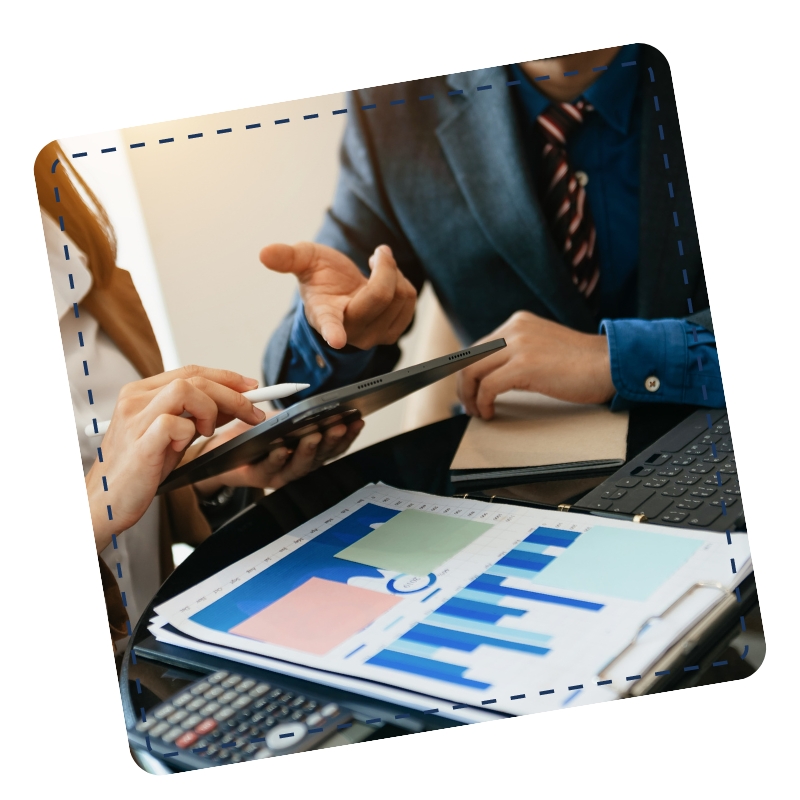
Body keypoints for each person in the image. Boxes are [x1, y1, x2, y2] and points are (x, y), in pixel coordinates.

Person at [261, 43, 723, 420]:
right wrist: (335, 333)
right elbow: (293, 400)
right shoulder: (396, 103)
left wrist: (616, 359)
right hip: (519, 481)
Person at [35, 142, 363, 654]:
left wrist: (206, 479)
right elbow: (102, 498)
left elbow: (136, 523)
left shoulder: (83, 265)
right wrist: (93, 509)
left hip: (155, 665)